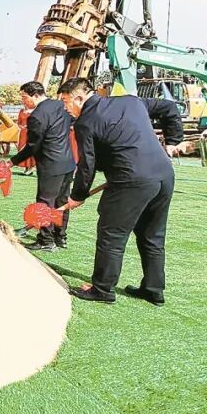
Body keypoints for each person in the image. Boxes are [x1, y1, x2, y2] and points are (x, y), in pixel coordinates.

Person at [58, 77, 187, 305]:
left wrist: (77, 196)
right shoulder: (131, 101)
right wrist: (173, 140)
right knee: (152, 235)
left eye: (66, 102)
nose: (65, 108)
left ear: (79, 98)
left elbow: (87, 165)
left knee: (111, 234)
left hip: (130, 180)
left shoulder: (85, 122)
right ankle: (153, 289)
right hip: (164, 175)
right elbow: (169, 107)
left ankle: (102, 289)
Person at [11, 81, 77, 252]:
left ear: (35, 95)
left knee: (45, 203)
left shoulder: (37, 116)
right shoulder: (61, 105)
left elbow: (33, 146)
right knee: (62, 201)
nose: (23, 101)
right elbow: (73, 120)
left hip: (50, 165)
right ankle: (60, 237)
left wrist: (13, 161)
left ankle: (46, 240)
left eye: (24, 97)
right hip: (67, 163)